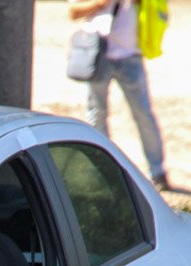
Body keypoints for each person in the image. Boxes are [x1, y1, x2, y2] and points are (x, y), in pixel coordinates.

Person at [69, 0, 170, 190]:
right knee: (97, 113)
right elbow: (73, 12)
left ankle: (158, 171)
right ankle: (102, 170)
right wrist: (100, 3)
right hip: (97, 53)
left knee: (143, 113)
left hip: (130, 55)